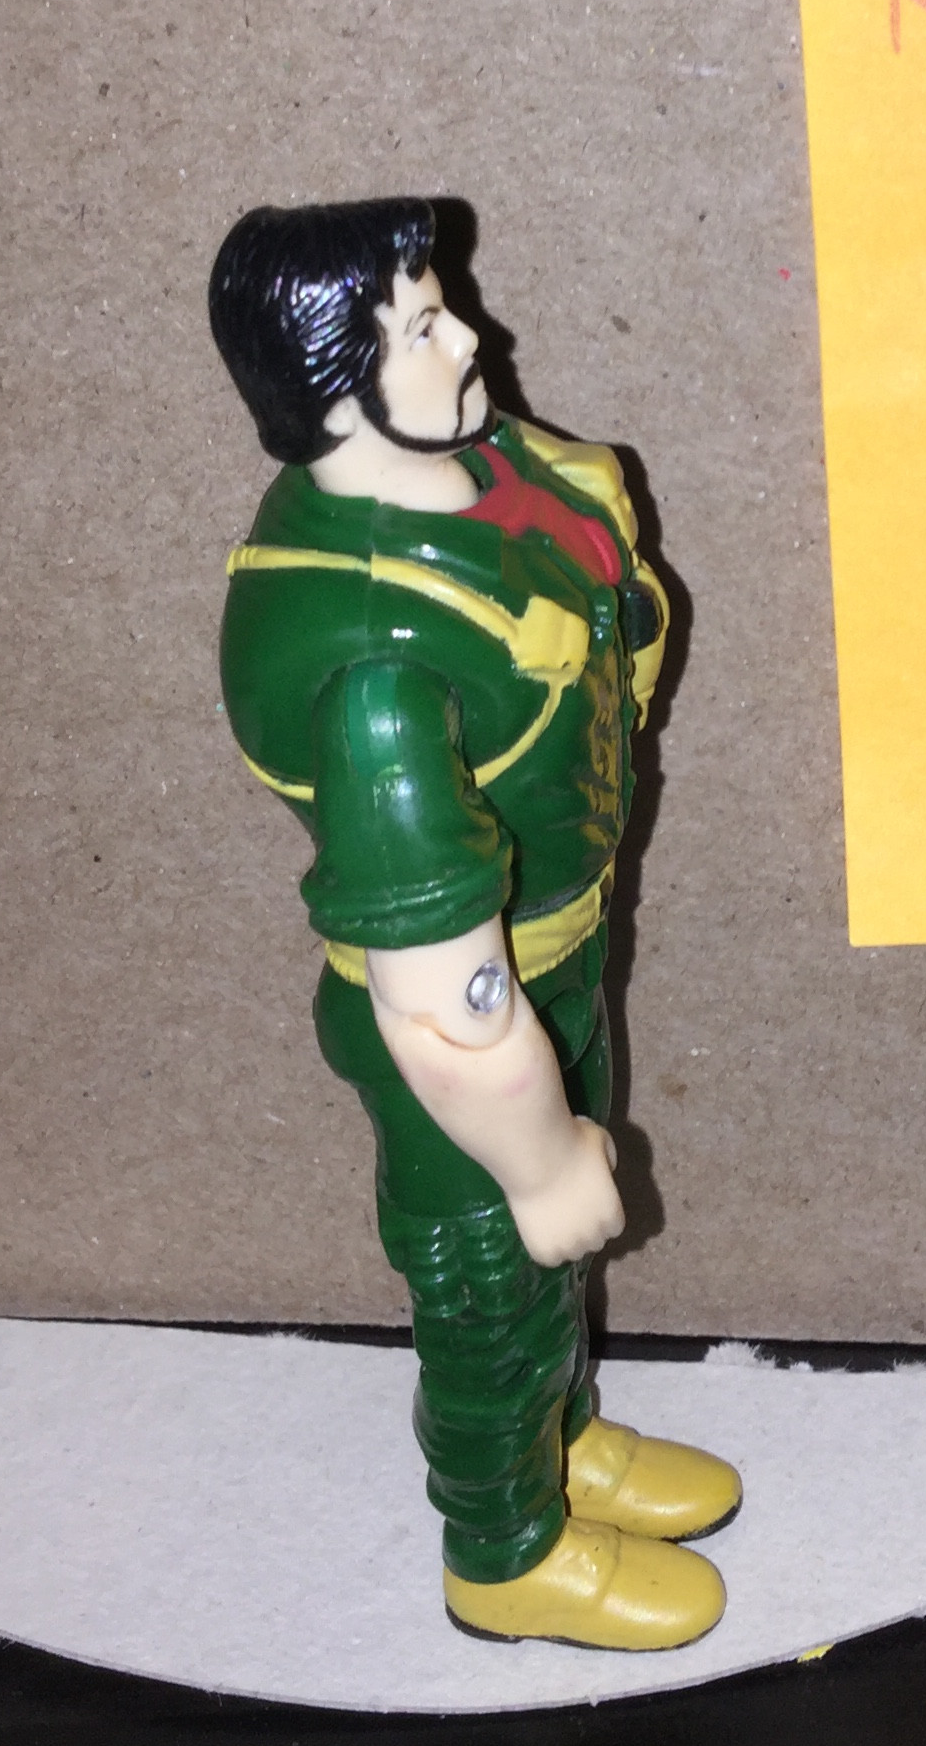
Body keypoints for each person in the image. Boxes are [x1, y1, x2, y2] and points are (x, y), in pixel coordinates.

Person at [208, 198, 737, 1648]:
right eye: (422, 328)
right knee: (494, 1282)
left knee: (557, 1255)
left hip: (560, 949)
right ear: (332, 389)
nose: (467, 340)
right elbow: (439, 999)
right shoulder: (371, 672)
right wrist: (537, 1153)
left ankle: (561, 1442)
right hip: (463, 1032)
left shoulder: (488, 473)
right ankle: (504, 1549)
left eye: (439, 307)